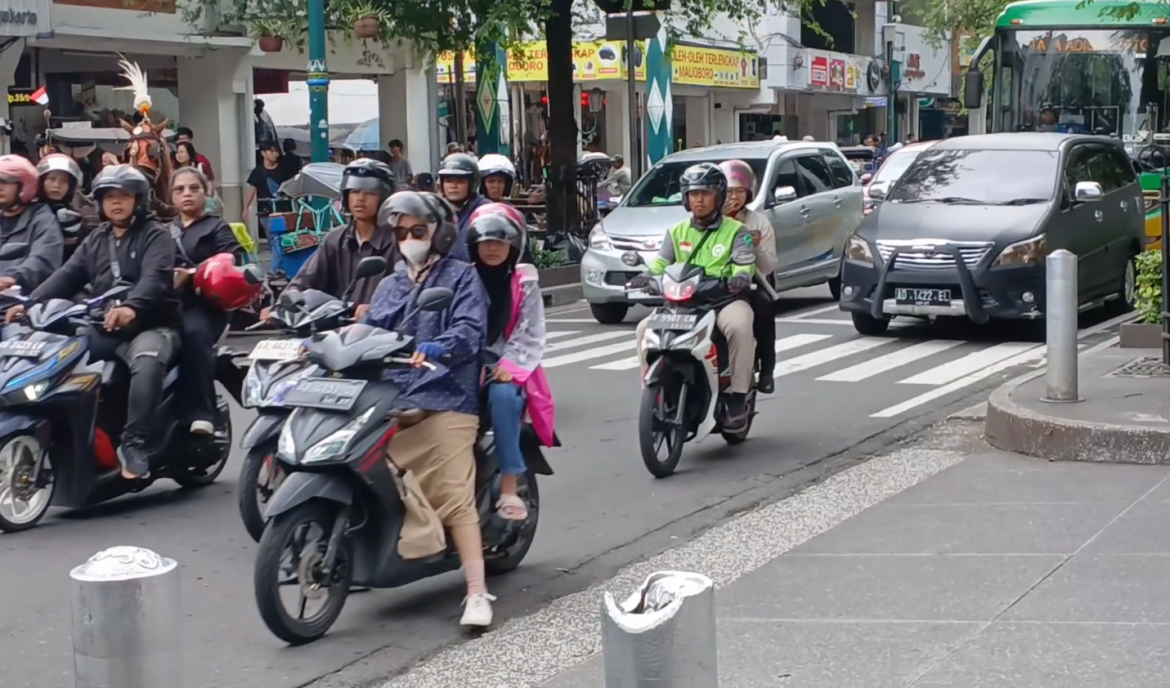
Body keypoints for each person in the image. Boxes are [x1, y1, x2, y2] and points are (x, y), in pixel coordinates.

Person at [363, 189, 494, 628]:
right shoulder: (390, 282)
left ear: (438, 233)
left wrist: (441, 346)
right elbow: (371, 329)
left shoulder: (461, 277)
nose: (408, 239)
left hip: (445, 397)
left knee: (455, 496)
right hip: (392, 398)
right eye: (400, 232)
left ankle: (477, 592)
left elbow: (470, 330)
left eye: (417, 231)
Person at [10, 165, 180, 479]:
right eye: (109, 197)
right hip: (105, 325)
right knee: (60, 355)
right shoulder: (97, 238)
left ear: (138, 200)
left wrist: (132, 307)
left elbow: (154, 280)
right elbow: (66, 276)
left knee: (147, 360)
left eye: (124, 196)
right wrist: (29, 303)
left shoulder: (156, 235)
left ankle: (135, 443)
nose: (116, 203)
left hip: (151, 326)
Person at [629, 163, 756, 429]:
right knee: (643, 329)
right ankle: (651, 389)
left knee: (739, 326)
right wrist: (647, 276)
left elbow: (744, 262)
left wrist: (741, 276)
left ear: (718, 196)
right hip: (683, 301)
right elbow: (661, 263)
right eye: (693, 194)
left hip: (723, 300)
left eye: (705, 193)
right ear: (686, 198)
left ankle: (737, 397)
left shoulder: (737, 231)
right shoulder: (676, 232)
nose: (698, 200)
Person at [467, 206, 555, 522]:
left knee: (504, 396)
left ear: (514, 246)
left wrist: (509, 366)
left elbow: (530, 330)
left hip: (502, 363)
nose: (492, 248)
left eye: (501, 242)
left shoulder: (524, 280)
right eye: (486, 241)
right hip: (461, 362)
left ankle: (508, 485)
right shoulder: (460, 277)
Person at [268, 158, 398, 320]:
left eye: (369, 193)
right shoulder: (335, 239)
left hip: (379, 333)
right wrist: (285, 300)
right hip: (333, 331)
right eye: (354, 192)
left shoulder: (398, 241)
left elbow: (403, 292)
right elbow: (306, 279)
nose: (360, 199)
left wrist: (377, 307)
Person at [169, 166, 244, 434]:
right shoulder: (163, 232)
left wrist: (192, 274)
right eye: (179, 189)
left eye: (193, 188)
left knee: (192, 334)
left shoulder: (217, 227)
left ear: (205, 192)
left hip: (205, 307)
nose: (186, 194)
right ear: (172, 196)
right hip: (168, 305)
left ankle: (203, 413)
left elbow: (233, 261)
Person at [719, 160, 777, 392]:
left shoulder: (758, 222)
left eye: (740, 191)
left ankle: (767, 369)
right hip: (710, 282)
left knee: (763, 308)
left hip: (749, 281)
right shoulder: (711, 219)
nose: (734, 197)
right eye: (730, 191)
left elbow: (769, 265)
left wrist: (756, 246)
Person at [0, 155, 64, 294]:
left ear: (23, 186)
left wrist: (13, 277)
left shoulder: (42, 219)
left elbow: (44, 259)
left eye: (5, 181)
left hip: (20, 301)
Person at [36, 153, 97, 263]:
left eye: (64, 181)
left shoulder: (75, 218)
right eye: (52, 178)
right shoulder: (29, 214)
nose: (57, 185)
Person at [438, 153, 490, 260]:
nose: (453, 186)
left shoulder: (486, 210)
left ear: (472, 184)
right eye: (448, 181)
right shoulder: (435, 210)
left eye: (460, 181)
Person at [244, 141, 292, 240]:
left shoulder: (285, 169)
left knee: (282, 238)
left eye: (277, 152)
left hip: (283, 210)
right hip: (265, 211)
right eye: (271, 151)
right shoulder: (257, 172)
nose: (275, 154)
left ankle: (277, 255)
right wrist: (246, 208)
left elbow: (291, 186)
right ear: (263, 153)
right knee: (271, 237)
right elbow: (252, 189)